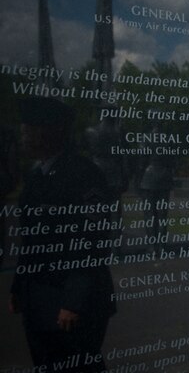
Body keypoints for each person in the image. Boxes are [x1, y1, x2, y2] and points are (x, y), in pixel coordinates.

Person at [9, 97, 116, 372]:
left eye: (29, 130)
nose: (23, 136)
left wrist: (74, 301)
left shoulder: (83, 174)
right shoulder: (36, 175)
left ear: (52, 131)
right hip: (39, 299)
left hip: (72, 303)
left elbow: (92, 240)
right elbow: (32, 239)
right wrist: (19, 287)